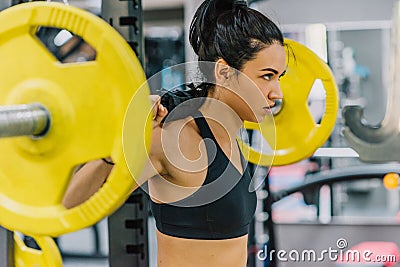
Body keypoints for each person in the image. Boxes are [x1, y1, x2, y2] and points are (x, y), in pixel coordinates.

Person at [62, 0, 286, 266]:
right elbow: (70, 206)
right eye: (267, 76)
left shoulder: (232, 137)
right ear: (224, 72)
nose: (277, 93)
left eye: (279, 77)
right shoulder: (175, 137)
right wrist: (119, 144)